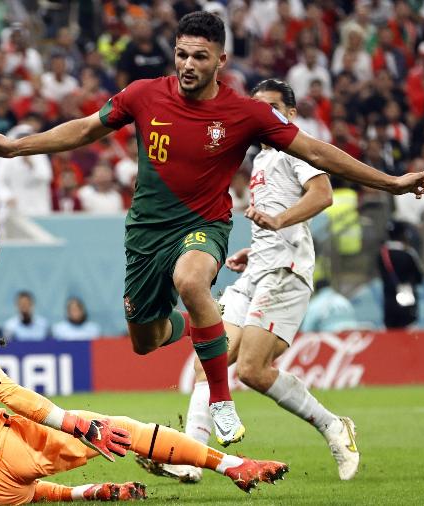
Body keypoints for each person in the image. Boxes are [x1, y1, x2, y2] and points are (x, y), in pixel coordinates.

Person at [0, 11, 424, 447]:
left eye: (199, 56)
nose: (187, 64)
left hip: (205, 224)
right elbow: (83, 129)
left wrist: (393, 182)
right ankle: (200, 321)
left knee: (190, 279)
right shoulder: (143, 94)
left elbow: (317, 152)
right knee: (146, 340)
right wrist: (15, 147)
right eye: (182, 54)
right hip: (145, 233)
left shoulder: (245, 113)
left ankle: (221, 398)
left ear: (221, 60)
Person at [0, 286, 289, 506]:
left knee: (23, 492)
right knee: (121, 431)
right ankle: (233, 465)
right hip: (12, 448)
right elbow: (10, 394)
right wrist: (72, 422)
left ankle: (90, 493)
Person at [139, 79, 357, 484]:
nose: (266, 116)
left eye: (275, 108)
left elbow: (323, 194)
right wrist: (252, 251)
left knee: (253, 370)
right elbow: (269, 220)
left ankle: (332, 425)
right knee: (212, 361)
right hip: (257, 270)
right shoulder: (259, 159)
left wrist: (279, 221)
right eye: (260, 108)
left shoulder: (296, 148)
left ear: (290, 114)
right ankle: (191, 460)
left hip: (285, 272)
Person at [377, 221, 424, 329]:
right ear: (403, 234)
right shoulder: (408, 253)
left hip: (389, 299)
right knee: (408, 327)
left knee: (390, 332)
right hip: (407, 295)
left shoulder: (382, 254)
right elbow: (420, 277)